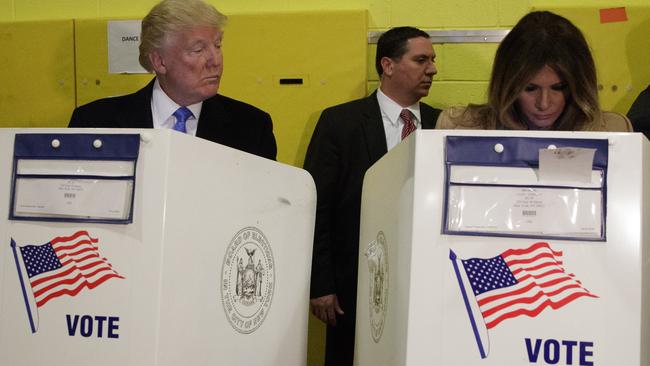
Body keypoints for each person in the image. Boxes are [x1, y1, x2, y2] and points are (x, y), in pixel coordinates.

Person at [304, 26, 440, 365]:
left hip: (425, 285)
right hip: (353, 287)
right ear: (388, 65)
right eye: (421, 60)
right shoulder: (340, 123)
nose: (433, 69)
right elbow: (316, 205)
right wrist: (320, 284)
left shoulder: (446, 125)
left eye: (433, 60)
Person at [69, 0, 276, 160]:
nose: (216, 60)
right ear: (159, 62)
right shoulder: (94, 124)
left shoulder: (252, 128)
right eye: (198, 49)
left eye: (218, 45)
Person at [437, 11, 632, 132]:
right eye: (530, 88)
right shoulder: (460, 127)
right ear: (506, 84)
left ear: (579, 86)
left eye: (559, 87)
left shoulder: (612, 132)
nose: (544, 103)